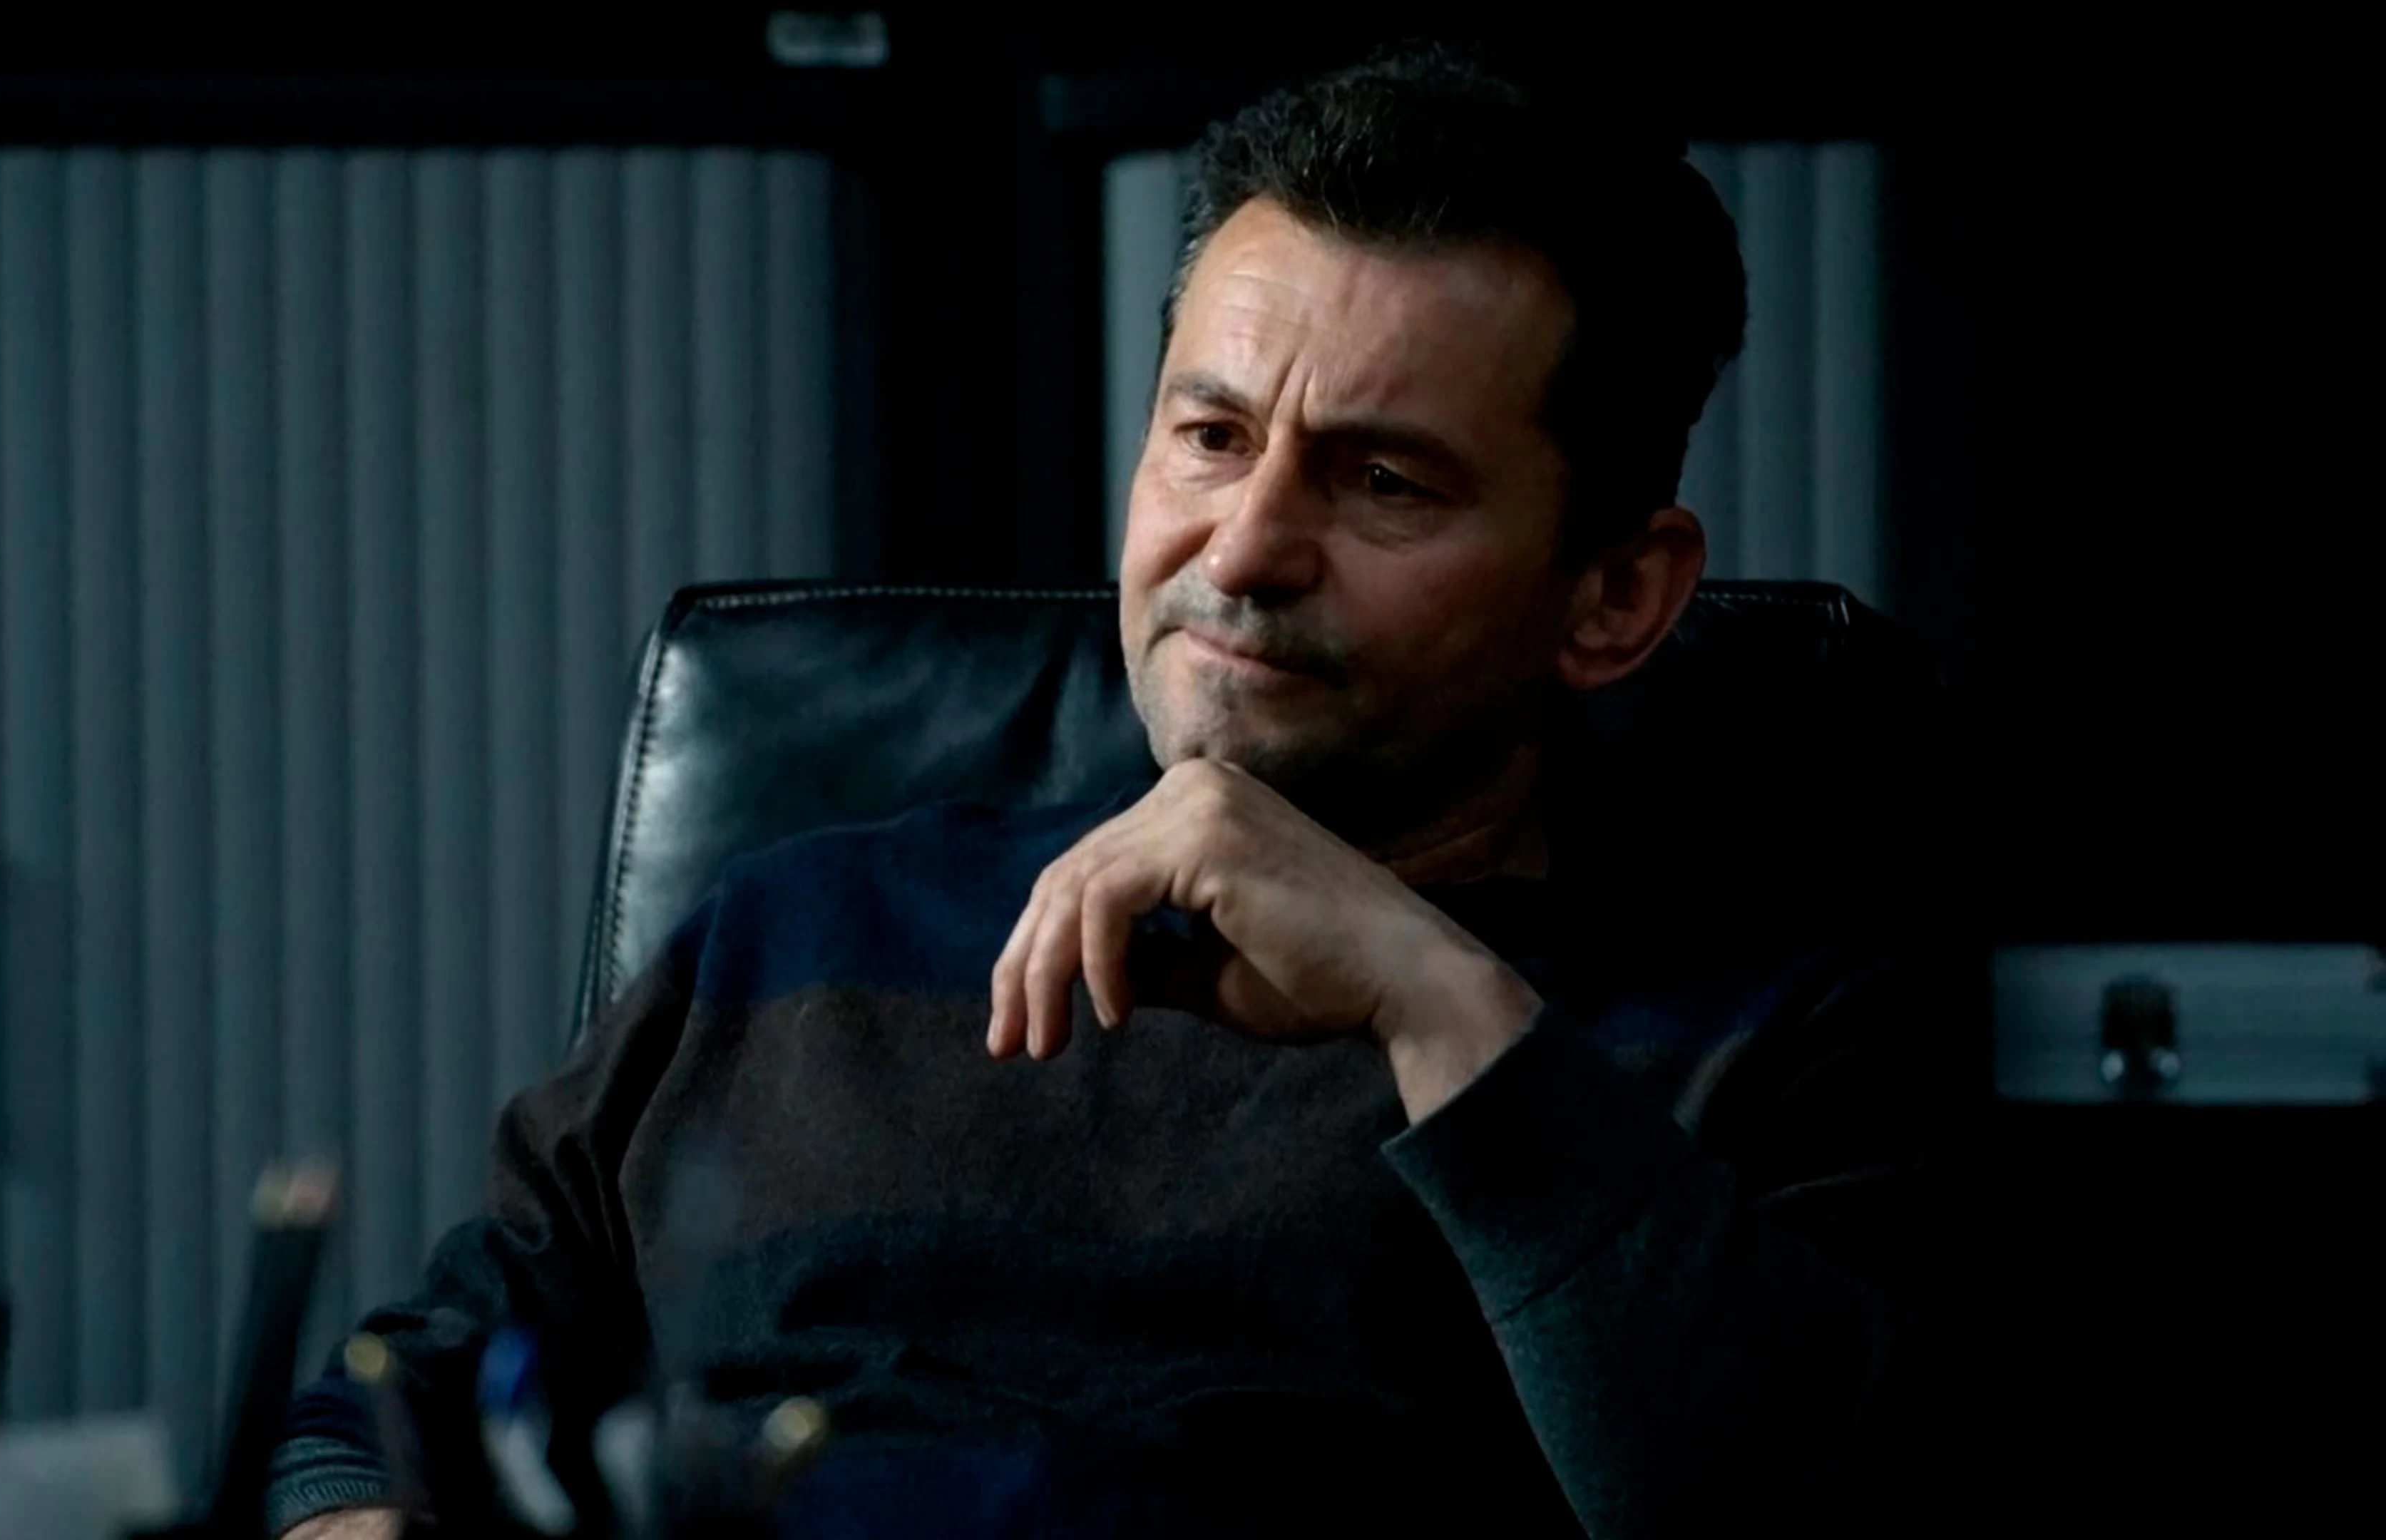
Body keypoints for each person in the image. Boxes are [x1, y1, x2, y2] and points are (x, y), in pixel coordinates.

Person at [274, 43, 1971, 1539]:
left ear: (1614, 596)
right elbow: (392, 1403)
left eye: (1384, 480)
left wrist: (1437, 1001)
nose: (1243, 548)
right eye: (1211, 437)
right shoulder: (795, 930)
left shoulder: (1763, 1050)